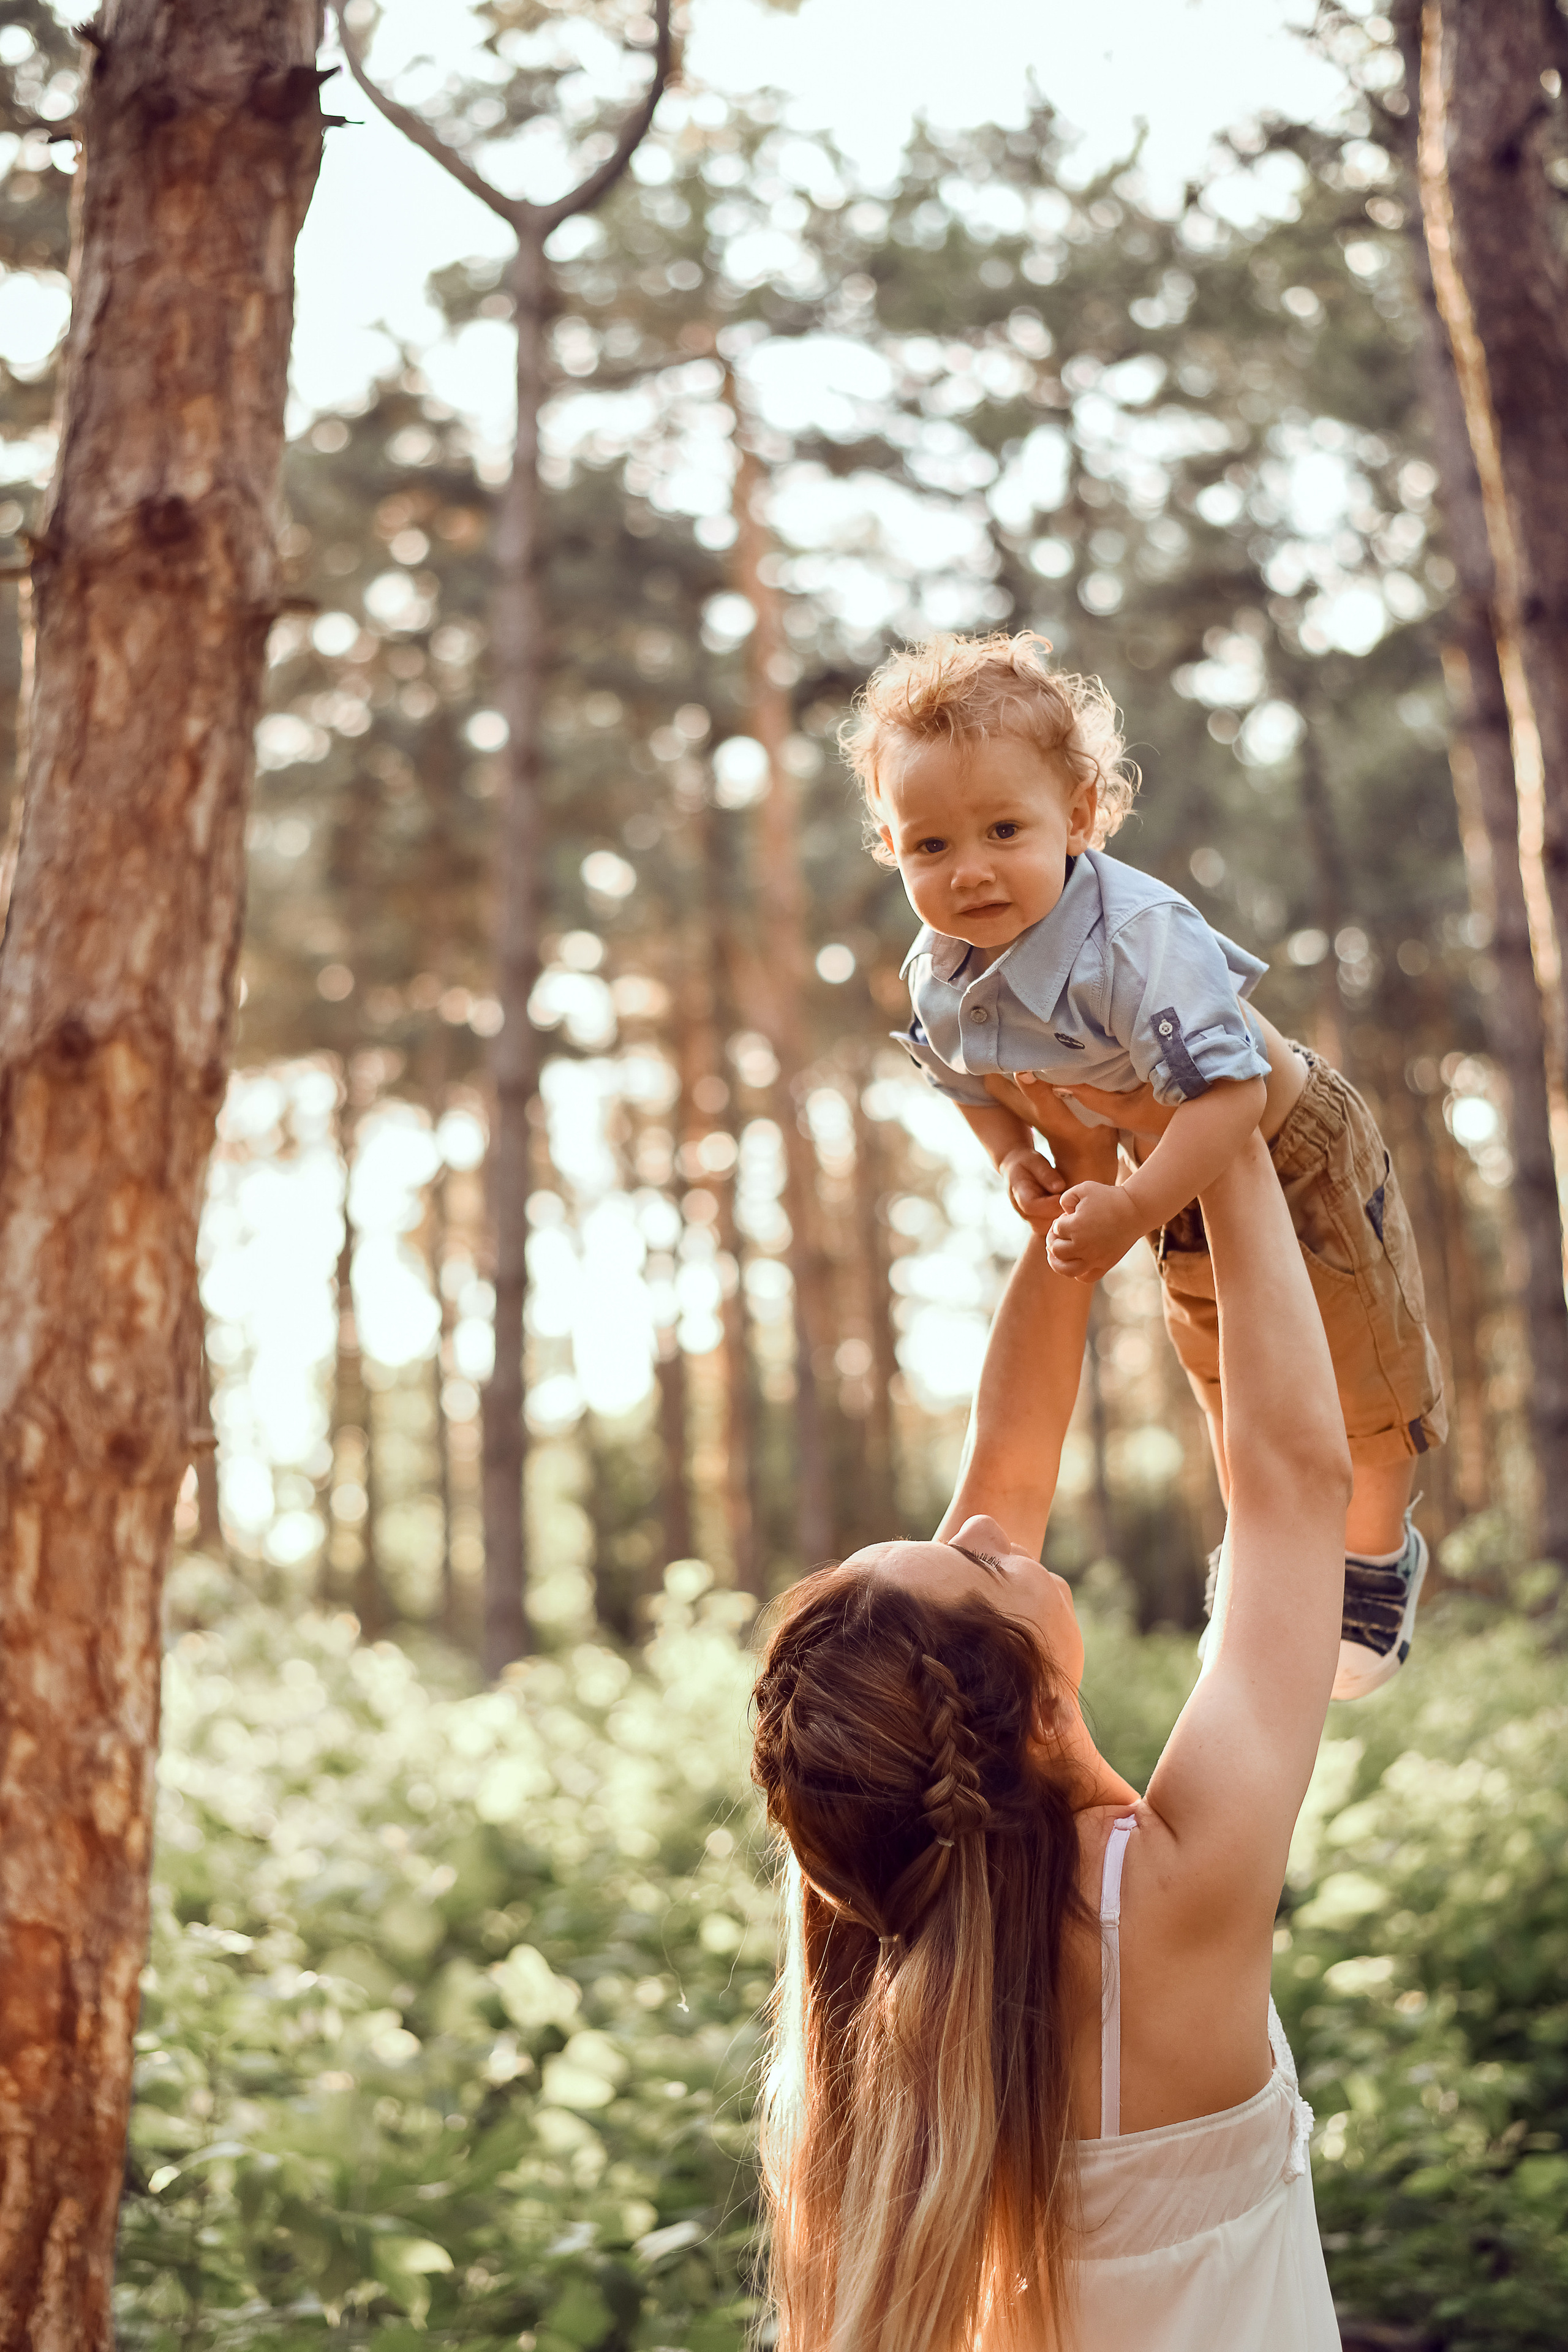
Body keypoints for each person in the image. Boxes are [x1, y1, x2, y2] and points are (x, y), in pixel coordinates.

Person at [751, 1099, 1350, 2351]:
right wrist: (1220, 1120)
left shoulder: (877, 1932)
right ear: (1025, 1705)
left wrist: (1079, 1191)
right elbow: (1293, 1484)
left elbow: (1005, 1469)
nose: (981, 1526)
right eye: (972, 1560)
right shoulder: (1161, 1904)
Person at [841, 628, 1444, 1697]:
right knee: (1227, 1377)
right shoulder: (940, 968)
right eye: (930, 846)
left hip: (1281, 1149)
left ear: (1077, 818)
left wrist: (1128, 1204)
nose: (969, 869)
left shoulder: (1138, 937)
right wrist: (1011, 1162)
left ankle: (1378, 1550)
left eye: (1003, 829)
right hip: (1159, 1174)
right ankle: (1264, 1554)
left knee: (1360, 1379)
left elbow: (1232, 1097)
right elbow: (969, 1079)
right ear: (890, 844)